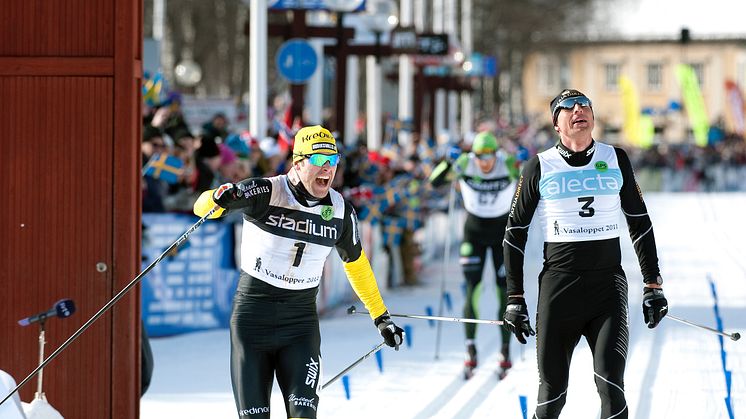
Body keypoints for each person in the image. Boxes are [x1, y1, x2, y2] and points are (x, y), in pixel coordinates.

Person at [193, 125, 404, 419]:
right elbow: (202, 207)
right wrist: (217, 197)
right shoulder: (266, 191)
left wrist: (381, 317)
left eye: (333, 161)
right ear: (298, 161)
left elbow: (357, 265)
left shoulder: (341, 211)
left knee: (303, 416)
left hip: (300, 324)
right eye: (319, 161)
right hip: (253, 319)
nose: (327, 170)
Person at [502, 89, 669, 418]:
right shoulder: (539, 166)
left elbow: (640, 223)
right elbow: (514, 234)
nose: (579, 110)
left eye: (585, 105)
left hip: (607, 288)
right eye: (568, 107)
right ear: (556, 124)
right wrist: (514, 297)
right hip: (558, 289)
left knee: (611, 384)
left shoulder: (615, 158)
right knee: (552, 394)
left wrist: (653, 285)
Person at [429, 131, 520, 379]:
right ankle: (470, 348)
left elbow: (531, 178)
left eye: (489, 155)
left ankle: (505, 350)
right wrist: (449, 162)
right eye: (480, 156)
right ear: (474, 154)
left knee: (506, 292)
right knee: (473, 289)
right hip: (474, 233)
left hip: (503, 234)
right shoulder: (465, 162)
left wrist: (524, 161)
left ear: (495, 153)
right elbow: (434, 182)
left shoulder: (507, 162)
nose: (485, 162)